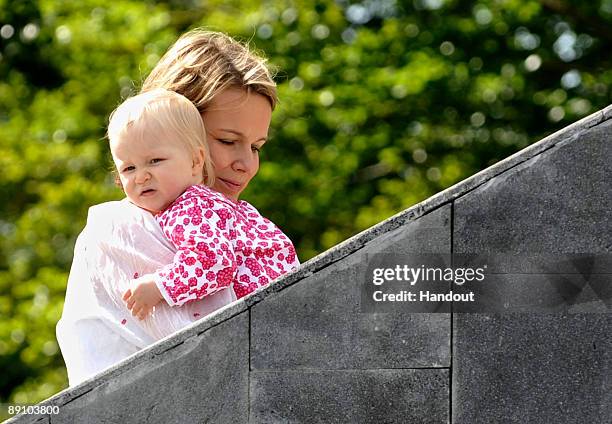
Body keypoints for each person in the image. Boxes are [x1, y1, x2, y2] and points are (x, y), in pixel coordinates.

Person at [57, 29, 299, 386]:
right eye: (228, 141)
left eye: (257, 146)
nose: (246, 164)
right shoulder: (117, 230)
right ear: (174, 129)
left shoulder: (235, 222)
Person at [106, 88, 298, 320]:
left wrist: (159, 286)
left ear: (196, 160)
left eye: (155, 161)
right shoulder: (206, 204)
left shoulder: (191, 207)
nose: (141, 177)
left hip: (267, 314)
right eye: (128, 168)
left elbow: (215, 262)